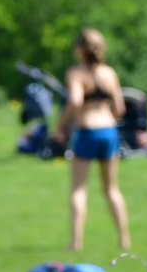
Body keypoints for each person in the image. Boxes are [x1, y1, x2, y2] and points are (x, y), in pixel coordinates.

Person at [52, 28, 131, 252]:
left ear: (79, 49)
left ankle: (76, 241)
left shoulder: (76, 73)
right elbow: (120, 108)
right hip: (109, 131)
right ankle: (124, 238)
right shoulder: (109, 73)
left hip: (87, 131)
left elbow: (76, 101)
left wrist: (61, 124)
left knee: (79, 189)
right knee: (111, 189)